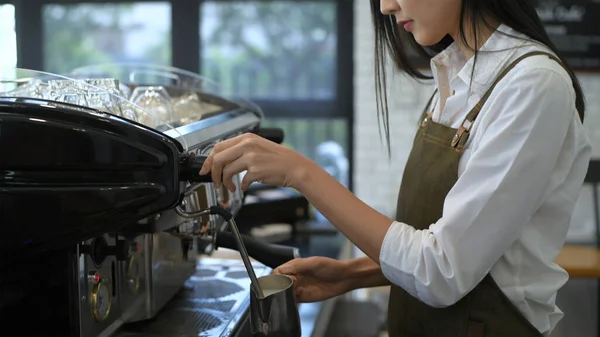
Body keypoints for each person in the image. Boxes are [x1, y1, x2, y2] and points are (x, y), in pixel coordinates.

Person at [199, 0, 591, 335]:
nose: (386, 6)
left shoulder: (532, 84)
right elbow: (455, 242)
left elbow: (443, 271)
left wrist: (301, 173)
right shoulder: (459, 78)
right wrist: (353, 273)